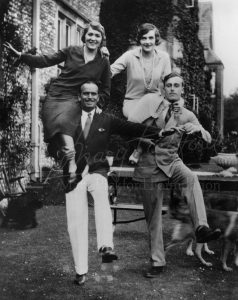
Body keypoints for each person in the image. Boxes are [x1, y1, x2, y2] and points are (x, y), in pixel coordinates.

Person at [66, 80, 176, 285]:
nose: (90, 97)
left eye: (93, 94)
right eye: (86, 94)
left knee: (101, 197)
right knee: (76, 223)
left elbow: (131, 128)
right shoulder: (67, 118)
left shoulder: (106, 119)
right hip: (73, 174)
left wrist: (158, 133)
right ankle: (81, 271)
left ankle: (106, 246)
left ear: (98, 97)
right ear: (79, 96)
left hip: (97, 171)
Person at [133, 72, 221, 278]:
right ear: (164, 89)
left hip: (171, 161)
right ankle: (157, 262)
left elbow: (208, 139)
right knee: (153, 217)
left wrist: (197, 129)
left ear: (182, 90)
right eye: (169, 85)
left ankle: (201, 228)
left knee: (191, 177)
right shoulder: (151, 107)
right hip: (149, 163)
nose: (172, 88)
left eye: (176, 86)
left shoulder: (187, 114)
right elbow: (134, 132)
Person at [4, 21, 110, 191]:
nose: (93, 38)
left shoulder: (103, 61)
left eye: (97, 35)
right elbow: (47, 60)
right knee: (58, 127)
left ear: (102, 39)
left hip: (76, 99)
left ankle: (72, 166)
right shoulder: (72, 51)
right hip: (57, 95)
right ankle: (71, 164)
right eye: (90, 34)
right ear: (84, 36)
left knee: (69, 128)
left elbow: (106, 88)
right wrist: (23, 56)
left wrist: (99, 105)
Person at [110, 23, 171, 163]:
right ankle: (143, 146)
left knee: (159, 116)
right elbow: (111, 70)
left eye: (151, 38)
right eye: (144, 38)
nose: (148, 42)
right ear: (139, 40)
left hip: (155, 101)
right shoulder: (130, 56)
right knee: (134, 120)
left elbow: (168, 81)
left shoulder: (164, 57)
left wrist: (170, 99)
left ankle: (138, 149)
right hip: (133, 100)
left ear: (156, 39)